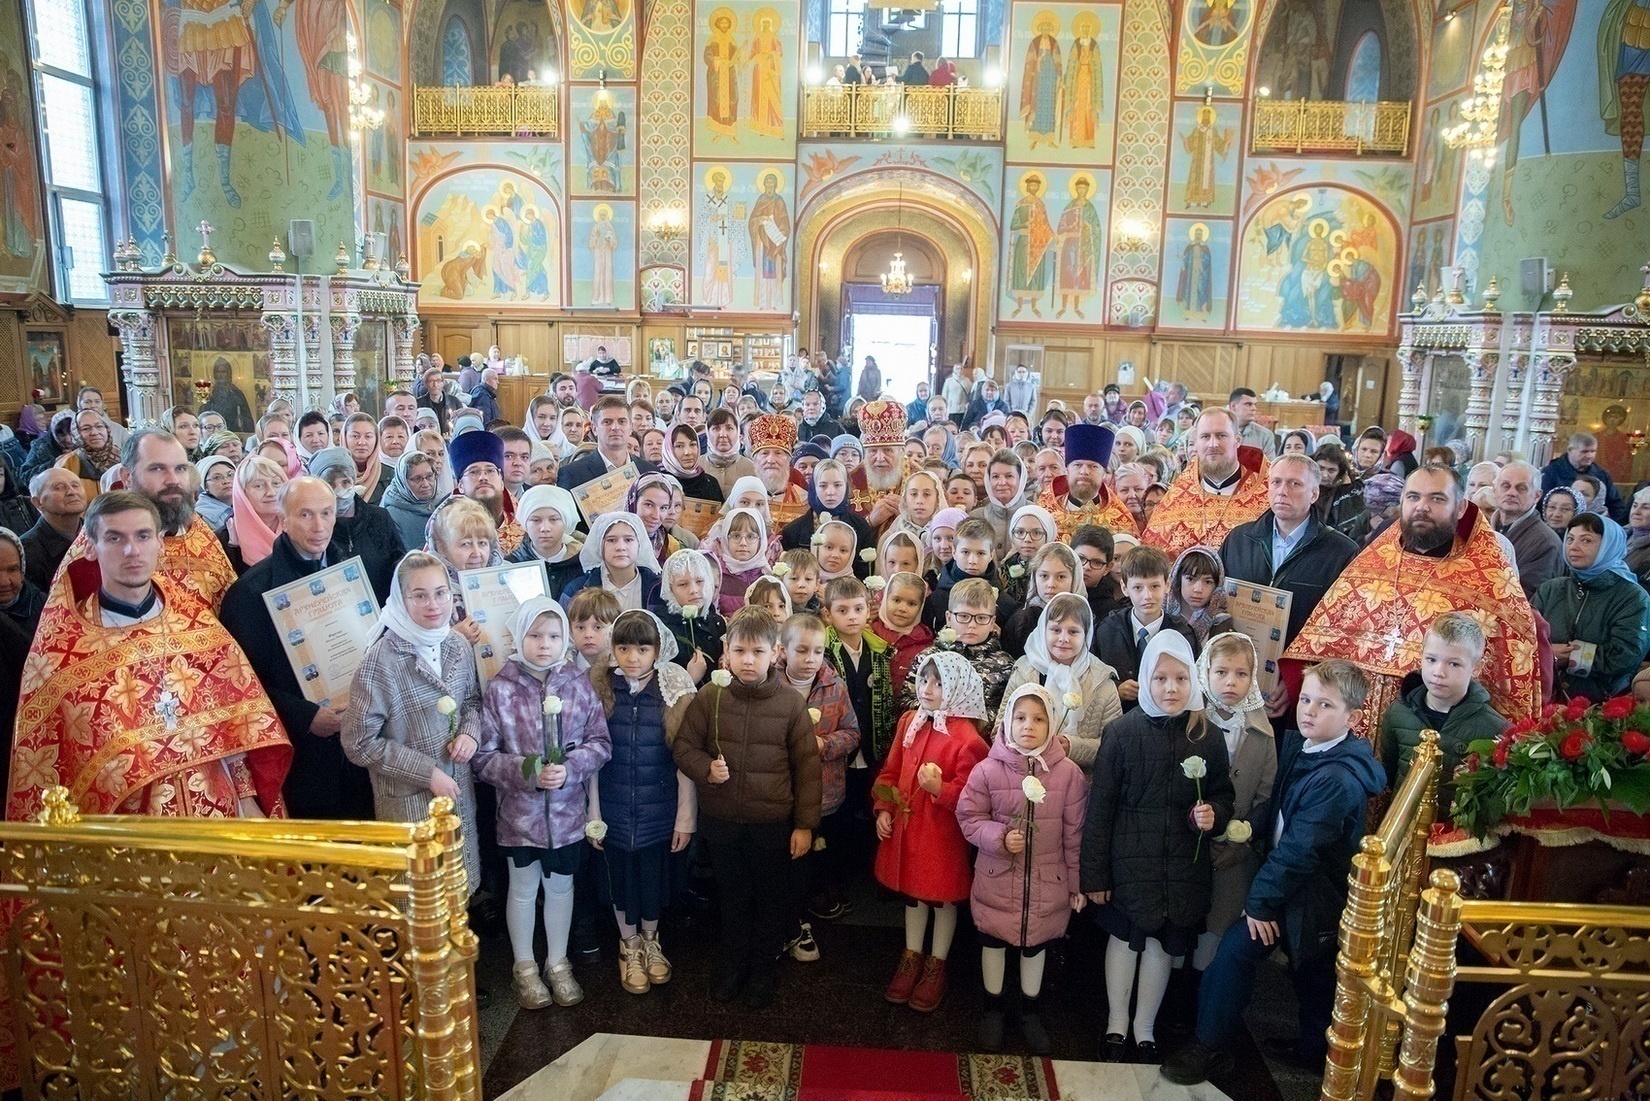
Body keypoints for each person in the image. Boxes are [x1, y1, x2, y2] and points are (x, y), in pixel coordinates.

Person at [1163, 662, 1385, 1085]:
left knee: (1241, 952)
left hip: (1310, 895)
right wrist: (1245, 828)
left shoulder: (1336, 779)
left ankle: (1210, 1047)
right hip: (1292, 887)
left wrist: (1259, 905)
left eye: (1325, 705)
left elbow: (1300, 852)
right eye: (1306, 699)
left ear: (1352, 717)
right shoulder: (1309, 747)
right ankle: (1313, 1049)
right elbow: (1281, 808)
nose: (1309, 711)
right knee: (1312, 975)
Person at [9, 490, 290, 820]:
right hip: (128, 833)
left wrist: (247, 799)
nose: (132, 550)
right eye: (115, 538)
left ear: (159, 542)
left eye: (143, 536)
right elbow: (53, 766)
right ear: (89, 546)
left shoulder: (198, 625)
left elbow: (237, 723)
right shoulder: (63, 651)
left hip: (219, 821)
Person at [1286, 464, 1541, 729]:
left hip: (1434, 737)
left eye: (1437, 498)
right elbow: (1322, 642)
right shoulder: (1370, 564)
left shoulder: (1488, 579)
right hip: (1349, 734)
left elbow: (1508, 681)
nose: (1422, 507)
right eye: (1413, 497)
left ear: (1461, 507)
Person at [1081, 629, 1231, 1064]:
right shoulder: (1121, 733)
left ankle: (1145, 1027)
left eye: (1181, 679)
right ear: (1146, 678)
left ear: (1193, 681)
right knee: (1124, 940)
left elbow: (1222, 794)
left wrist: (1214, 814)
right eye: (1161, 678)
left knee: (1162, 946)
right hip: (1129, 862)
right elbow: (1100, 809)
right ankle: (1116, 1023)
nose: (1171, 688)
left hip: (1181, 864)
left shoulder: (1208, 735)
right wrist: (1095, 875)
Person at [672, 605, 821, 1009]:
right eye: (739, 651)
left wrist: (804, 825)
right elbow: (684, 747)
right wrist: (706, 768)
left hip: (771, 823)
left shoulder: (789, 704)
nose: (748, 661)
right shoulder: (711, 697)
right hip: (722, 822)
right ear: (727, 652)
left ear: (775, 653)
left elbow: (807, 768)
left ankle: (762, 968)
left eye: (758, 652)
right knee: (733, 897)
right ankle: (734, 965)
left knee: (770, 899)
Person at [472, 598, 610, 1009]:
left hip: (566, 817)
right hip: (519, 818)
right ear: (519, 637)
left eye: (553, 636)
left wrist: (570, 769)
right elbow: (483, 758)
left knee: (561, 887)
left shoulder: (577, 683)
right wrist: (526, 772)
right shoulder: (501, 689)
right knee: (522, 888)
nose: (544, 644)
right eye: (534, 635)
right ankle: (525, 967)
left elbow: (600, 743)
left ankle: (558, 963)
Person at [220, 476, 375, 819]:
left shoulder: (351, 573)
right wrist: (305, 716)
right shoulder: (251, 592)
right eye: (306, 514)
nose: (319, 526)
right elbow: (243, 685)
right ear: (284, 519)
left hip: (359, 738)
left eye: (326, 513)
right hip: (304, 752)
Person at [955, 683, 1085, 1052]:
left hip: (1047, 883)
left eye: (1039, 719)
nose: (1029, 725)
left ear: (1052, 724)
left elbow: (1075, 834)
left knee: (1035, 948)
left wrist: (1075, 884)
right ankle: (992, 1009)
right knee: (993, 943)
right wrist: (999, 837)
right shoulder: (987, 770)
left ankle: (1031, 1011)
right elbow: (969, 817)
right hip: (997, 880)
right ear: (1007, 722)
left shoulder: (1068, 774)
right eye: (1021, 718)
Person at [342, 550, 484, 890]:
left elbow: (472, 701)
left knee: (458, 890)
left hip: (458, 791)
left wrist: (470, 733)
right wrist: (427, 773)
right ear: (401, 599)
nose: (433, 605)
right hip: (410, 801)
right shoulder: (381, 660)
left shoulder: (457, 645)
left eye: (440, 593)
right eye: (419, 596)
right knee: (420, 900)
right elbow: (358, 742)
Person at [583, 607, 697, 994]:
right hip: (613, 808)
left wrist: (685, 818)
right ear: (613, 649)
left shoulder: (671, 691)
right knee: (619, 880)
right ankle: (628, 944)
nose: (633, 658)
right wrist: (593, 813)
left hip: (658, 809)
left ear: (657, 650)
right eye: (624, 648)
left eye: (642, 649)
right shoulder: (601, 688)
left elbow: (684, 762)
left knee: (652, 879)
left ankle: (650, 939)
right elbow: (592, 762)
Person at [874, 651, 989, 1013]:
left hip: (941, 836)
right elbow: (891, 771)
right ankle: (911, 955)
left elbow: (975, 795)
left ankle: (936, 963)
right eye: (924, 680)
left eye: (939, 683)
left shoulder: (967, 739)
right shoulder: (910, 721)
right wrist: (884, 807)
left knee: (941, 898)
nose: (927, 689)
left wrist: (941, 790)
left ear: (957, 687)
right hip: (909, 829)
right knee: (913, 896)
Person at [1191, 633, 1276, 991]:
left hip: (1233, 857)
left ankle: (1202, 995)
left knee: (1214, 938)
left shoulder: (1261, 733)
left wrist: (1239, 844)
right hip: (1189, 849)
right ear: (1205, 673)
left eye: (1241, 674)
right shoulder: (1191, 722)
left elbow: (1265, 798)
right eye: (1221, 672)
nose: (1231, 682)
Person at [777, 612, 860, 954]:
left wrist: (824, 744)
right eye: (801, 651)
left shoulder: (834, 687)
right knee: (786, 859)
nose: (810, 659)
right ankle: (788, 918)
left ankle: (811, 904)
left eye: (817, 651)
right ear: (782, 650)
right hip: (781, 793)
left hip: (825, 790)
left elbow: (852, 733)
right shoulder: (771, 685)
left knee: (816, 854)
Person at [1220, 453, 1361, 648]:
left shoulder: (1341, 552)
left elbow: (1343, 624)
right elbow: (1217, 599)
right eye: (1276, 482)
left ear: (1314, 494)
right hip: (1238, 657)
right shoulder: (1239, 539)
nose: (1282, 492)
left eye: (1295, 484)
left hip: (1301, 663)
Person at [1379, 611, 1506, 807]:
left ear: (1476, 667)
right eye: (1431, 659)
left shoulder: (1495, 729)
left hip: (1455, 826)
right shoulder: (1398, 713)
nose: (1438, 672)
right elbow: (1388, 772)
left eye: (1454, 664)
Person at [1001, 592, 1123, 773]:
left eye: (1073, 632)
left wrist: (1072, 746)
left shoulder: (1102, 681)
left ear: (1086, 634)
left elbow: (1114, 745)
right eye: (1056, 630)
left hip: (1078, 779)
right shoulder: (1024, 671)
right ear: (1043, 630)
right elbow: (1000, 731)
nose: (1063, 639)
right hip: (1023, 775)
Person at [1534, 513, 1650, 702]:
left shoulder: (1632, 597)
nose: (1573, 546)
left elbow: (1625, 656)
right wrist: (1546, 653)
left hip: (1601, 704)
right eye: (1570, 539)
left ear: (1608, 547)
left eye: (1586, 540)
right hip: (1544, 696)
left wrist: (1572, 657)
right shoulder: (1551, 589)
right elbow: (1525, 636)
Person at [1145, 410, 1271, 561]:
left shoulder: (1267, 495)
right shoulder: (1178, 497)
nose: (1213, 444)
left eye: (1221, 435)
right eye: (1205, 436)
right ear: (1197, 443)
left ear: (1237, 440)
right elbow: (1153, 555)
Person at [1093, 545, 1200, 713]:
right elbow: (1093, 678)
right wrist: (1115, 689)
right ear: (1124, 588)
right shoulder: (1107, 630)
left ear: (1167, 585)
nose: (1147, 596)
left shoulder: (1182, 634)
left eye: (1154, 586)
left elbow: (1195, 681)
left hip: (1167, 717)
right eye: (1138, 588)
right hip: (1118, 716)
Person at [903, 577, 1017, 717]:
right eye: (963, 616)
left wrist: (973, 718)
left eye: (981, 618)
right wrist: (939, 712)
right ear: (949, 618)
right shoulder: (927, 658)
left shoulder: (1005, 665)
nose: (972, 625)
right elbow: (905, 702)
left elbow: (1008, 713)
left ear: (992, 622)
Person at [308, 447, 406, 602]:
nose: (339, 491)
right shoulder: (315, 528)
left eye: (345, 482)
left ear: (353, 481)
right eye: (330, 484)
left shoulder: (379, 518)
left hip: (384, 607)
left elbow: (399, 560)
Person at [560, 512, 662, 611]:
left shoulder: (659, 589)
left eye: (628, 540)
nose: (621, 547)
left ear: (640, 544)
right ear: (600, 545)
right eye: (611, 540)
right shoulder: (576, 591)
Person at [1493, 460, 1564, 598]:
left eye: (1521, 488)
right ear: (1494, 490)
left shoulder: (1546, 542)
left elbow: (1529, 596)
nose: (1511, 493)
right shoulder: (1479, 529)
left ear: (1537, 495)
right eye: (1505, 486)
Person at [654, 547, 725, 684]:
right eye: (683, 584)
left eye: (700, 581)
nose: (694, 590)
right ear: (670, 589)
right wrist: (690, 679)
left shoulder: (717, 622)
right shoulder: (660, 627)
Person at [512, 484, 586, 597]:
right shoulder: (512, 565)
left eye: (554, 519)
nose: (545, 528)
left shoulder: (584, 565)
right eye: (536, 520)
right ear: (525, 523)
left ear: (566, 522)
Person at [21, 467, 84, 592]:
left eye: (75, 485)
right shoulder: (27, 551)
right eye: (59, 487)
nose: (72, 492)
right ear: (38, 502)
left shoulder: (99, 533)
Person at [221, 455, 286, 574]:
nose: (271, 492)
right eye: (259, 486)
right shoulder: (225, 540)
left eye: (276, 483)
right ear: (242, 494)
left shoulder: (298, 527)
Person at [1542, 432, 1627, 523]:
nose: (1590, 456)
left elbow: (1615, 504)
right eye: (1584, 451)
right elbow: (1543, 503)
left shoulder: (1601, 474)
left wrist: (1613, 526)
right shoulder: (1551, 472)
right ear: (1570, 450)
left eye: (1593, 451)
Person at [847, 401, 909, 525]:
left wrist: (908, 516)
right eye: (873, 451)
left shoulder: (921, 477)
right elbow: (841, 529)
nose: (880, 458)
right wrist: (869, 522)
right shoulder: (851, 480)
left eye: (887, 450)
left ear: (901, 451)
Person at [1165, 546, 1232, 647]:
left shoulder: (1221, 625)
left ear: (1217, 586)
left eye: (1208, 582)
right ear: (1178, 579)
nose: (1198, 589)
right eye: (1191, 579)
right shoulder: (1159, 613)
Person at [382, 450, 442, 550]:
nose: (426, 484)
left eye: (429, 476)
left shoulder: (442, 502)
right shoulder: (391, 515)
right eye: (417, 479)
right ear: (403, 482)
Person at [56, 409, 120, 501]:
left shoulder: (125, 457)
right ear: (76, 433)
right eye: (86, 428)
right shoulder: (67, 465)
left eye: (99, 426)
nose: (94, 432)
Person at [660, 423, 726, 504]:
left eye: (692, 445)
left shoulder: (710, 483)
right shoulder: (659, 482)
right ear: (668, 449)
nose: (687, 452)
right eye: (679, 446)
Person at [200, 359, 254, 434]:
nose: (220, 375)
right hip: (213, 432)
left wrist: (241, 420)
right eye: (218, 372)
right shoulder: (210, 393)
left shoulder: (236, 393)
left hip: (232, 431)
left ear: (228, 374)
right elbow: (203, 414)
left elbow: (247, 418)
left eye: (223, 372)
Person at [1226, 388, 1277, 458]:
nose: (1254, 408)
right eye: (1248, 404)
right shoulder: (1216, 431)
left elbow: (1270, 464)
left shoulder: (1265, 436)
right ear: (1233, 406)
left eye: (1254, 404)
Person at [418, 366, 464, 435]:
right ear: (425, 384)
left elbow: (461, 423)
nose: (435, 384)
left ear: (443, 383)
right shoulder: (419, 404)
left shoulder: (454, 402)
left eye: (438, 381)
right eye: (431, 381)